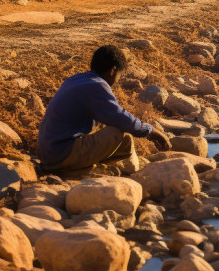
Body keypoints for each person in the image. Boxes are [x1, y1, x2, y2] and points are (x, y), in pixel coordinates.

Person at [38, 45, 170, 174]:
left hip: (49, 150)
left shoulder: (76, 79)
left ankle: (96, 167)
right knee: (117, 133)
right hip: (61, 153)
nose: (117, 80)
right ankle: (70, 169)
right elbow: (121, 118)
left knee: (126, 141)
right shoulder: (97, 86)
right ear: (113, 70)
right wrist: (151, 131)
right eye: (119, 74)